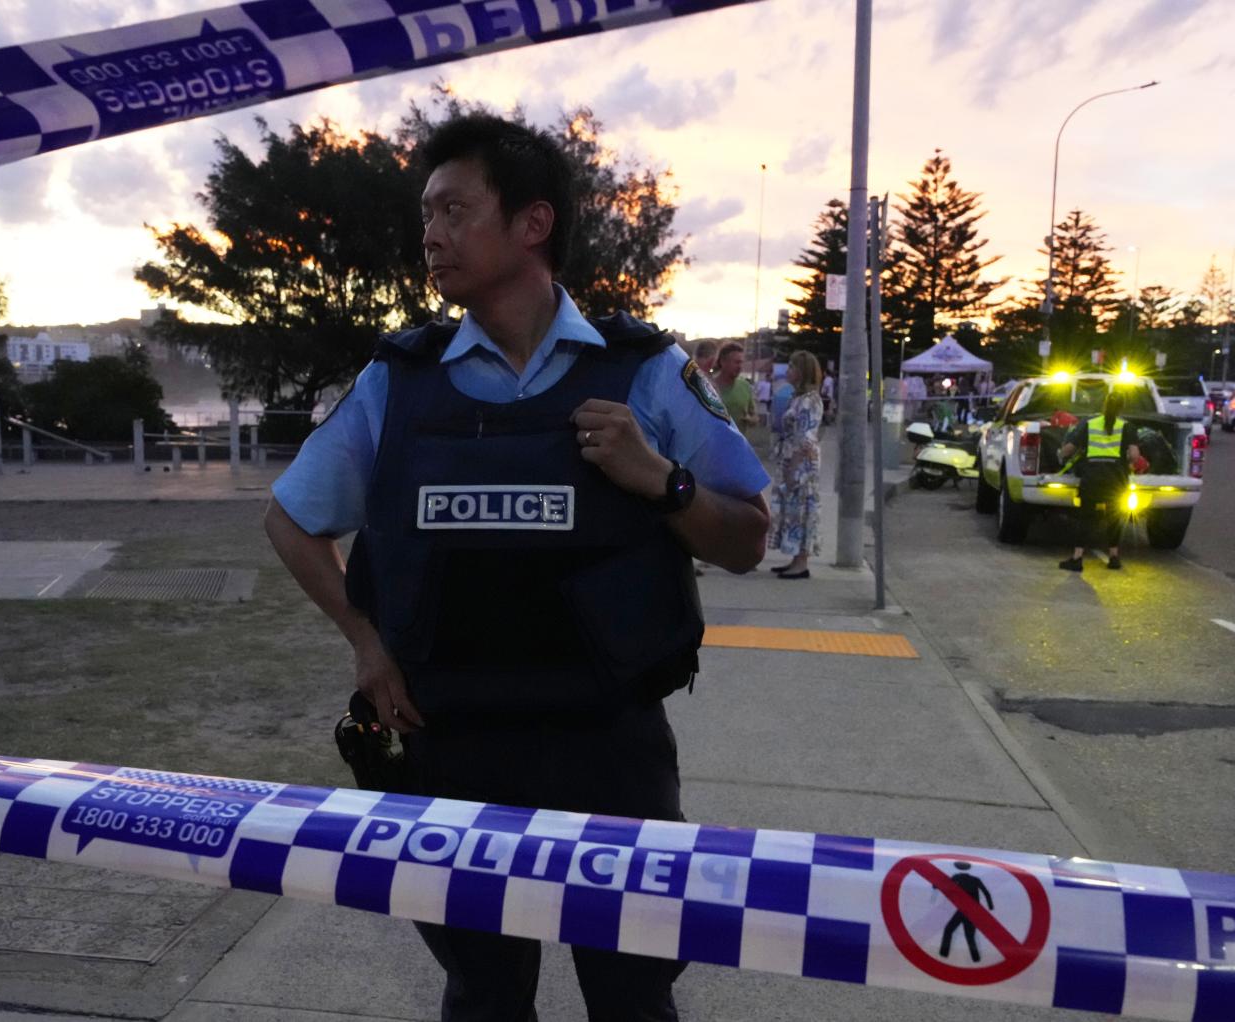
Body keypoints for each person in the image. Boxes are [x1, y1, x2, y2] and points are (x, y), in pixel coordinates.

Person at [262, 113, 770, 1022]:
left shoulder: (645, 372)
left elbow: (748, 538)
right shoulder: (400, 381)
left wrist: (661, 481)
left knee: (630, 994)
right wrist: (365, 644)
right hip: (452, 740)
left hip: (608, 743)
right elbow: (292, 521)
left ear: (531, 224)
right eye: (426, 215)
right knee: (484, 994)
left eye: (455, 209)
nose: (431, 234)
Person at [1055, 389, 1142, 572]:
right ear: (1122, 407)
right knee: (1114, 517)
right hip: (1116, 479)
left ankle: (1077, 558)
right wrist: (1127, 462)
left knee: (1085, 518)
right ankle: (1114, 557)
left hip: (1092, 477)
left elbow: (1070, 448)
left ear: (1104, 405)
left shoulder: (1089, 424)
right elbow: (1134, 455)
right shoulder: (1127, 427)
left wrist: (1060, 455)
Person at [769, 351, 824, 580]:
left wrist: (794, 467)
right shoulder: (799, 398)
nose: (788, 371)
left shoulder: (810, 400)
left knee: (800, 510)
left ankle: (801, 562)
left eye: (792, 367)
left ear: (801, 371)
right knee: (791, 511)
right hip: (792, 457)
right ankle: (795, 557)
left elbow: (806, 437)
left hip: (801, 462)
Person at [712, 342, 755, 431]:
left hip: (739, 443)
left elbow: (754, 416)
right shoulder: (708, 387)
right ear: (723, 362)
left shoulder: (745, 386)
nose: (740, 366)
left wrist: (751, 420)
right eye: (736, 362)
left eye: (741, 362)